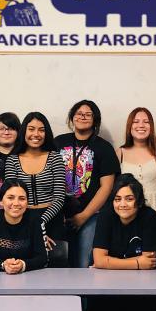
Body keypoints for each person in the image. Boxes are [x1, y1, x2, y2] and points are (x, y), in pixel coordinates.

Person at [91, 175, 156, 311]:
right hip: (106, 283)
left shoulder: (149, 216)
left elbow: (150, 262)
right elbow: (98, 260)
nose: (123, 204)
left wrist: (111, 262)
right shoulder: (106, 215)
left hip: (141, 284)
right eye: (118, 199)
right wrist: (136, 262)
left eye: (129, 199)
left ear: (138, 201)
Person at [56, 100, 119, 268]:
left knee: (84, 263)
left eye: (88, 114)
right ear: (72, 118)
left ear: (95, 120)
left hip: (92, 215)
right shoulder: (58, 143)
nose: (82, 117)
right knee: (60, 264)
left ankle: (84, 296)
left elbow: (107, 186)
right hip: (59, 215)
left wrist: (83, 216)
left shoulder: (104, 148)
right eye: (78, 113)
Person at [3, 112, 68, 266]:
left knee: (56, 266)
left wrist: (41, 223)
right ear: (24, 131)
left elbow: (59, 196)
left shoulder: (54, 157)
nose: (36, 134)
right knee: (25, 266)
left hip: (52, 219)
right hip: (22, 220)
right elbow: (11, 197)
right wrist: (32, 226)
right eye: (31, 129)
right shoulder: (12, 159)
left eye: (41, 130)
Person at [117, 108, 156, 259]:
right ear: (129, 126)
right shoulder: (120, 152)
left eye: (146, 122)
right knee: (133, 257)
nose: (141, 125)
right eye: (136, 121)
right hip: (130, 210)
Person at [0, 179, 48, 273]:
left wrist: (23, 265)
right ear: (1, 201)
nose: (16, 203)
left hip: (30, 278)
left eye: (22, 199)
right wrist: (3, 265)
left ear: (27, 203)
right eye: (10, 197)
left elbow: (42, 258)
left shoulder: (36, 221)